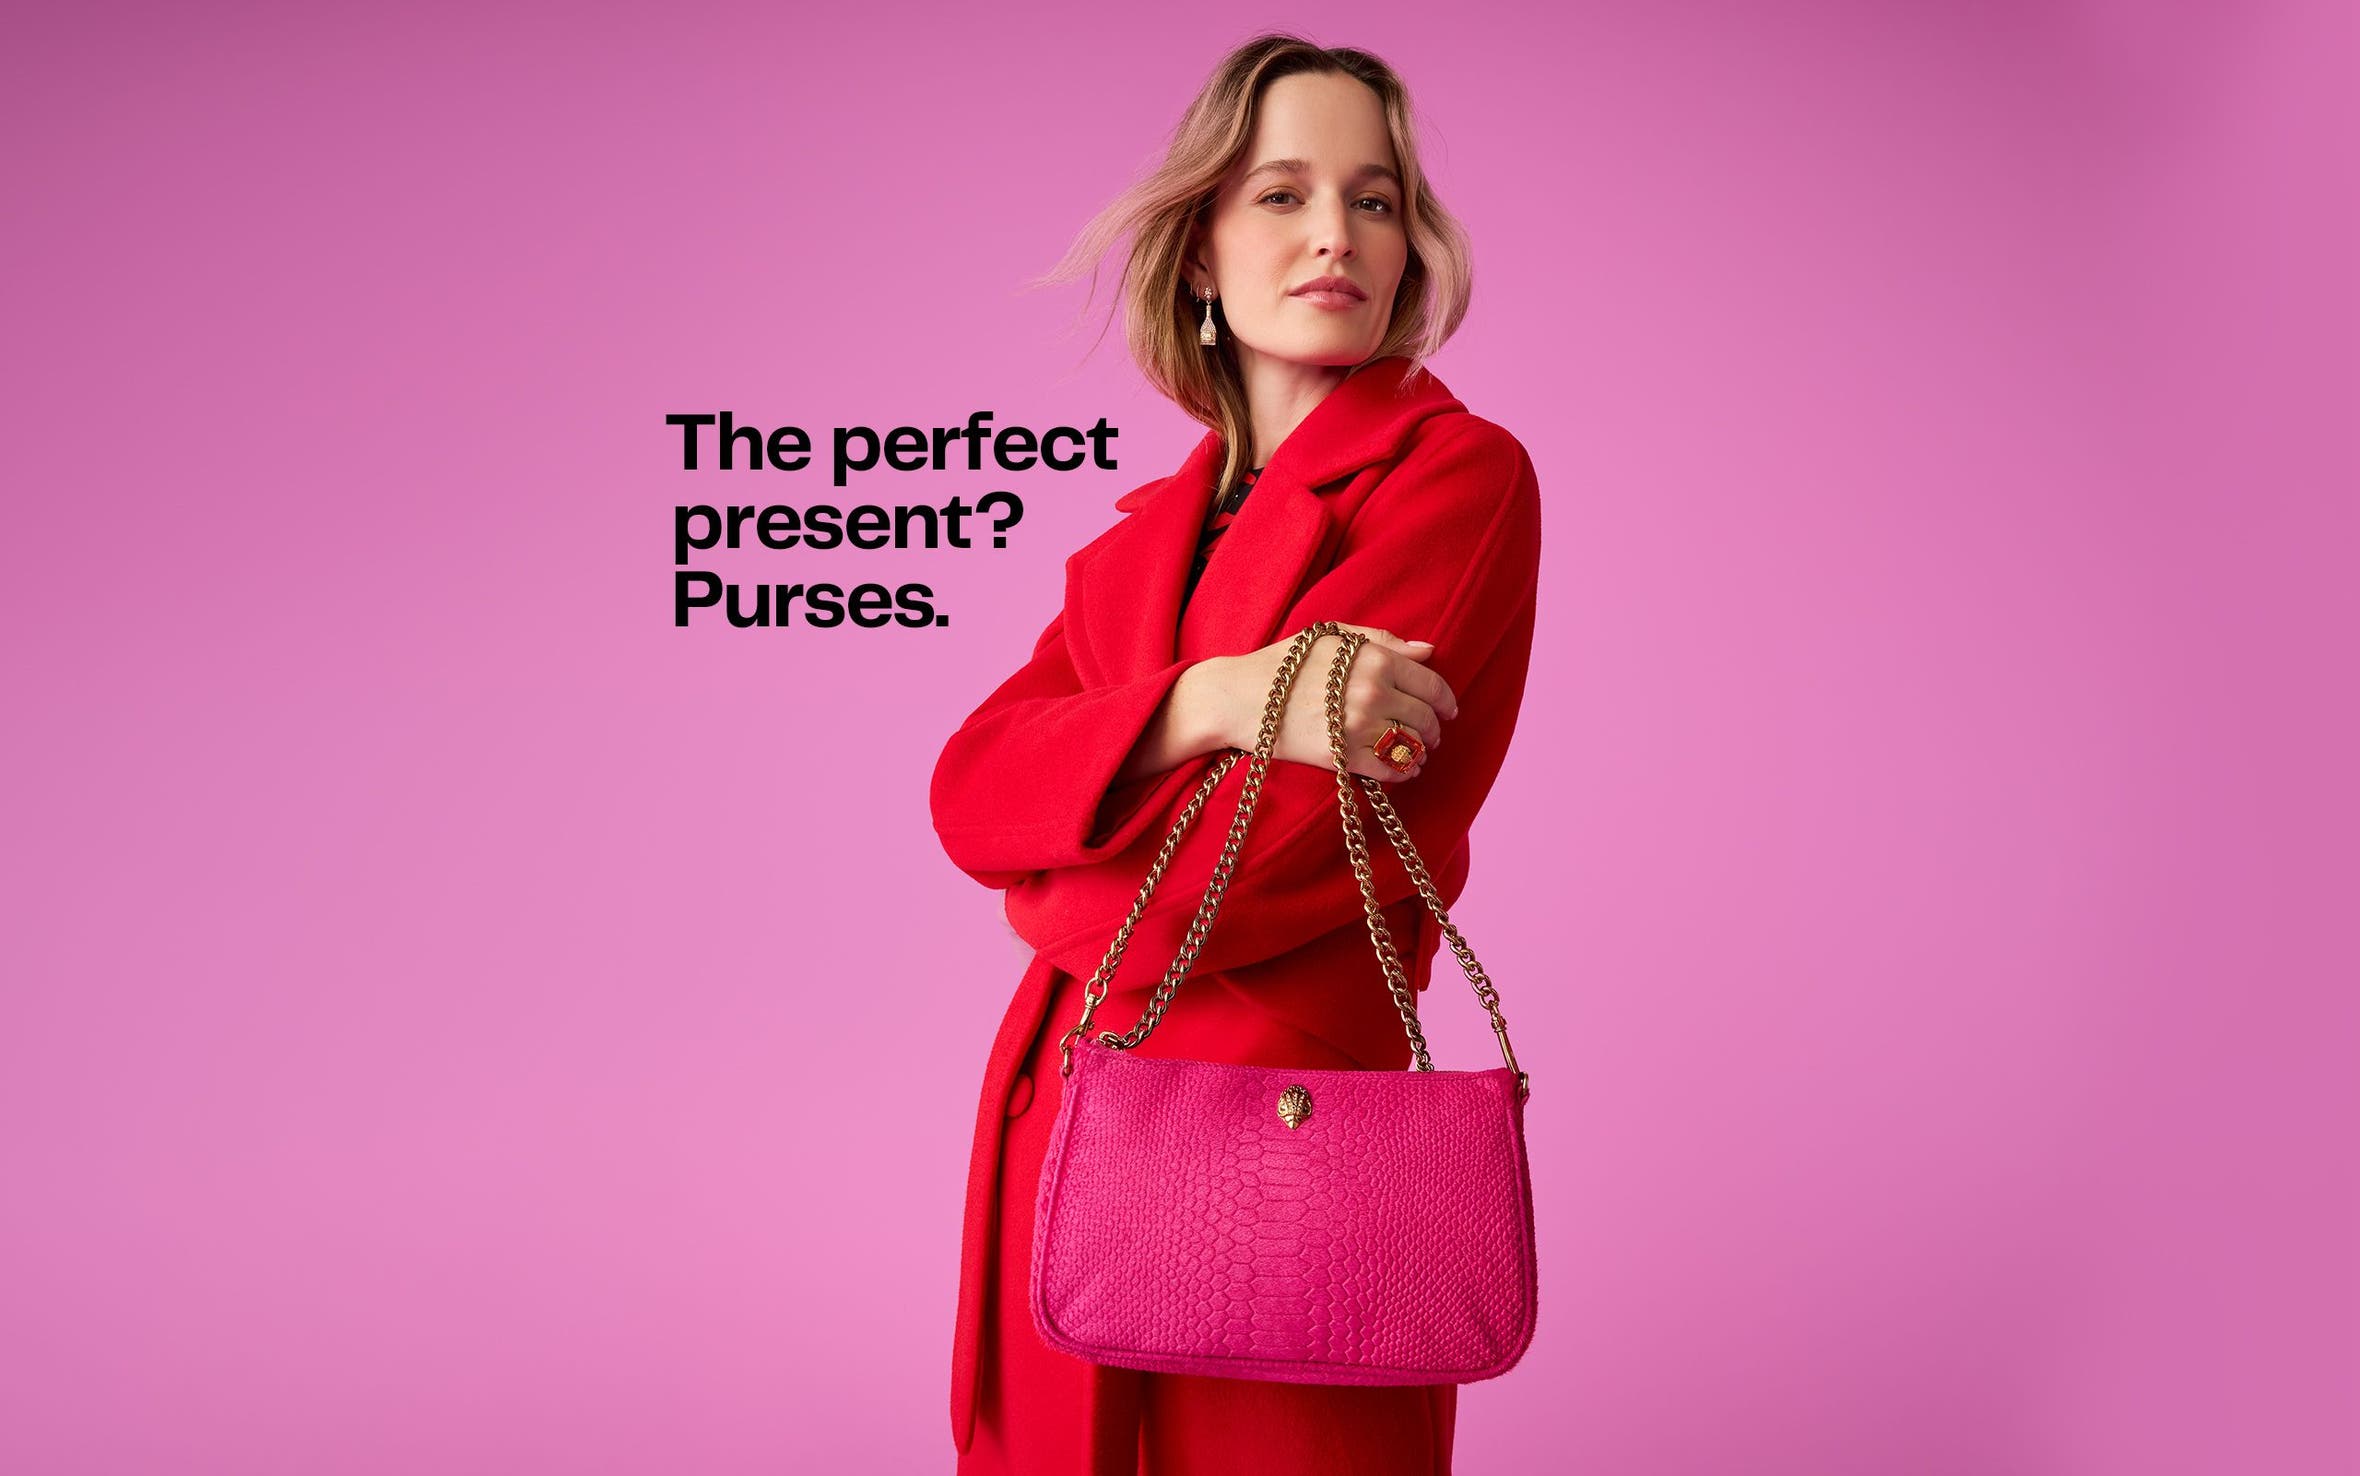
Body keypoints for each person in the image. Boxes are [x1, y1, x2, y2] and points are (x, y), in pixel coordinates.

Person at [930, 32, 1543, 1476]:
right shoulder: (1134, 546)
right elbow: (967, 792)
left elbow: (1277, 847)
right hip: (1057, 1135)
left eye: (1376, 198)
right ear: (1200, 251)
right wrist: (1220, 699)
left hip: (1288, 1149)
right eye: (1281, 194)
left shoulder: (1457, 477)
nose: (1336, 232)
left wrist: (1052, 893)